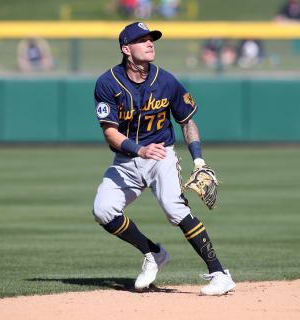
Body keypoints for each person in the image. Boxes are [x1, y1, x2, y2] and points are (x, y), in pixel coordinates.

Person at [92, 22, 236, 295]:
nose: (150, 43)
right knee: (102, 210)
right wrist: (139, 150)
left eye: (151, 39)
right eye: (142, 40)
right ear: (126, 49)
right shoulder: (107, 83)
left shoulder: (167, 81)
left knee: (174, 208)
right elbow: (110, 133)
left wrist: (199, 162)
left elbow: (187, 122)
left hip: (161, 155)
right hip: (127, 159)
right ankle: (153, 253)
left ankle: (219, 273)